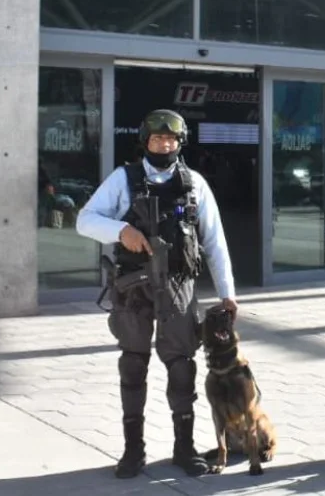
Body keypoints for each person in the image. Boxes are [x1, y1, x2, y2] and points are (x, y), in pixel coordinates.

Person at [76, 109, 237, 479]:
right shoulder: (124, 179)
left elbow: (214, 241)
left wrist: (227, 293)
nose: (164, 145)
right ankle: (133, 451)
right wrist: (121, 231)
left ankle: (184, 448)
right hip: (133, 289)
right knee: (133, 364)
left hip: (179, 288)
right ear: (145, 142)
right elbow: (85, 219)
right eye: (157, 139)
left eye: (171, 140)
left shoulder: (193, 182)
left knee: (182, 366)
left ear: (180, 143)